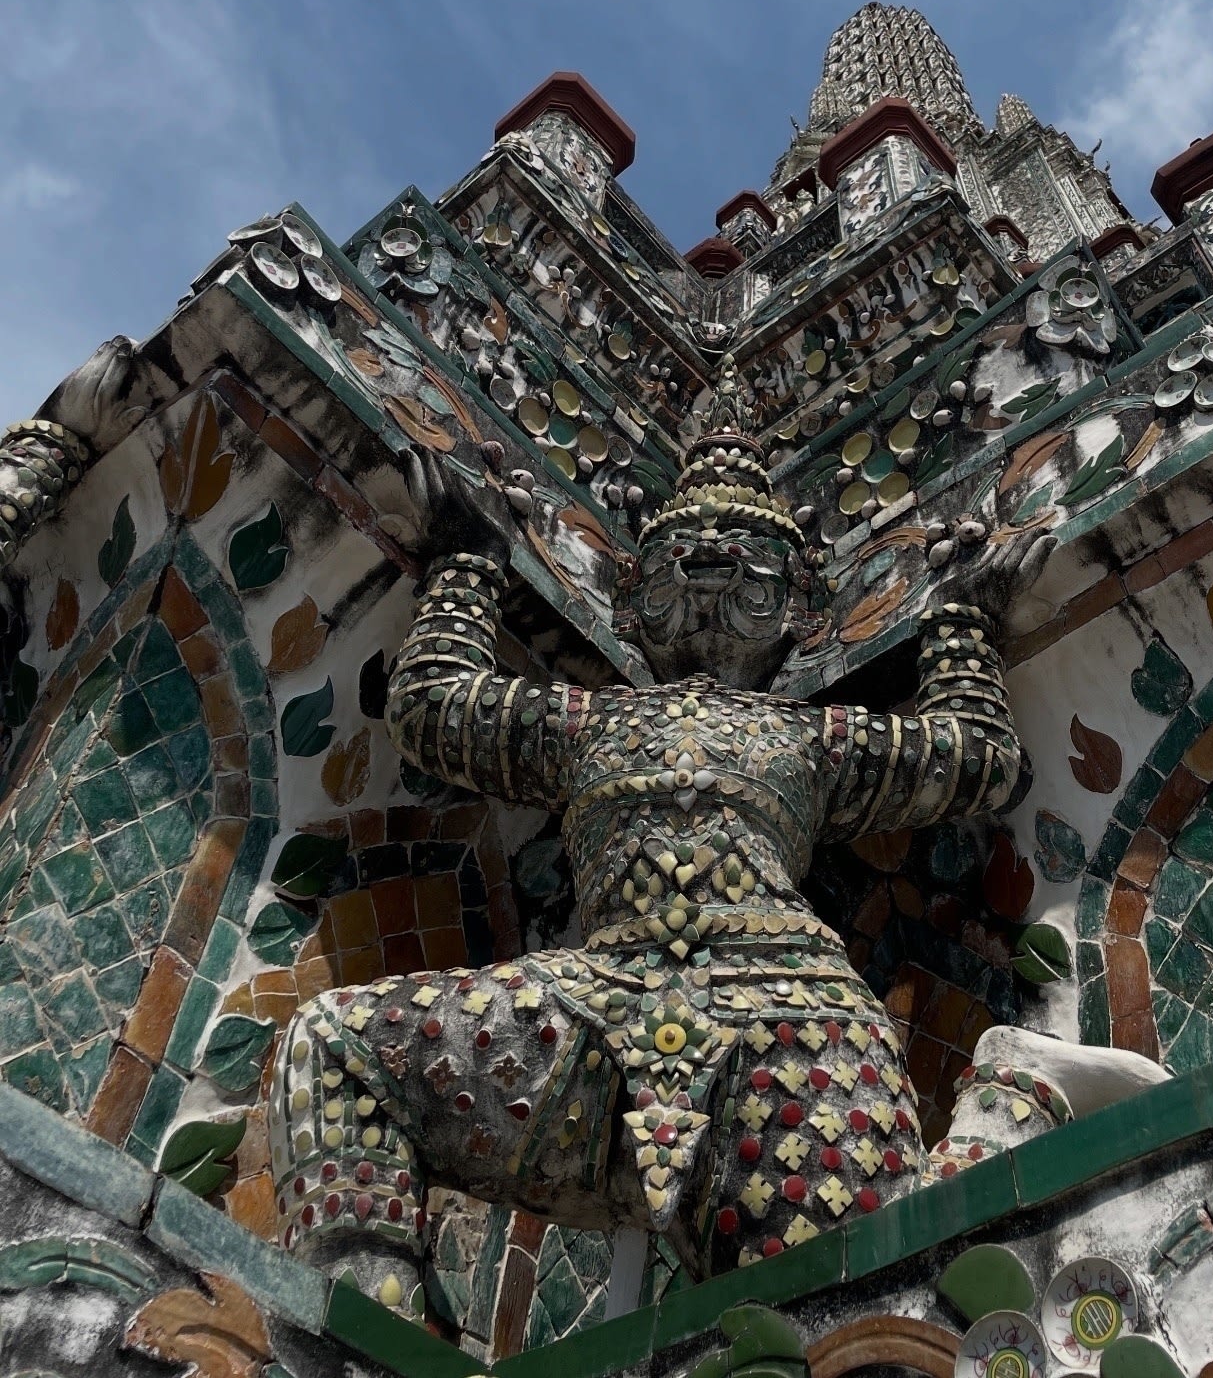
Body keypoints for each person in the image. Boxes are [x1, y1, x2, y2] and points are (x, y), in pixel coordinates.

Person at [269, 358, 1054, 1314]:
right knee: (337, 1047)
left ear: (799, 618)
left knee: (859, 1306)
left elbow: (975, 756)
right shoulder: (587, 723)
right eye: (683, 556)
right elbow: (434, 708)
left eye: (745, 562)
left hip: (788, 1009)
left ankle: (1016, 1101)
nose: (711, 567)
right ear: (634, 602)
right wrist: (468, 561)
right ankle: (369, 1321)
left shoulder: (810, 738)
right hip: (594, 1003)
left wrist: (963, 622)